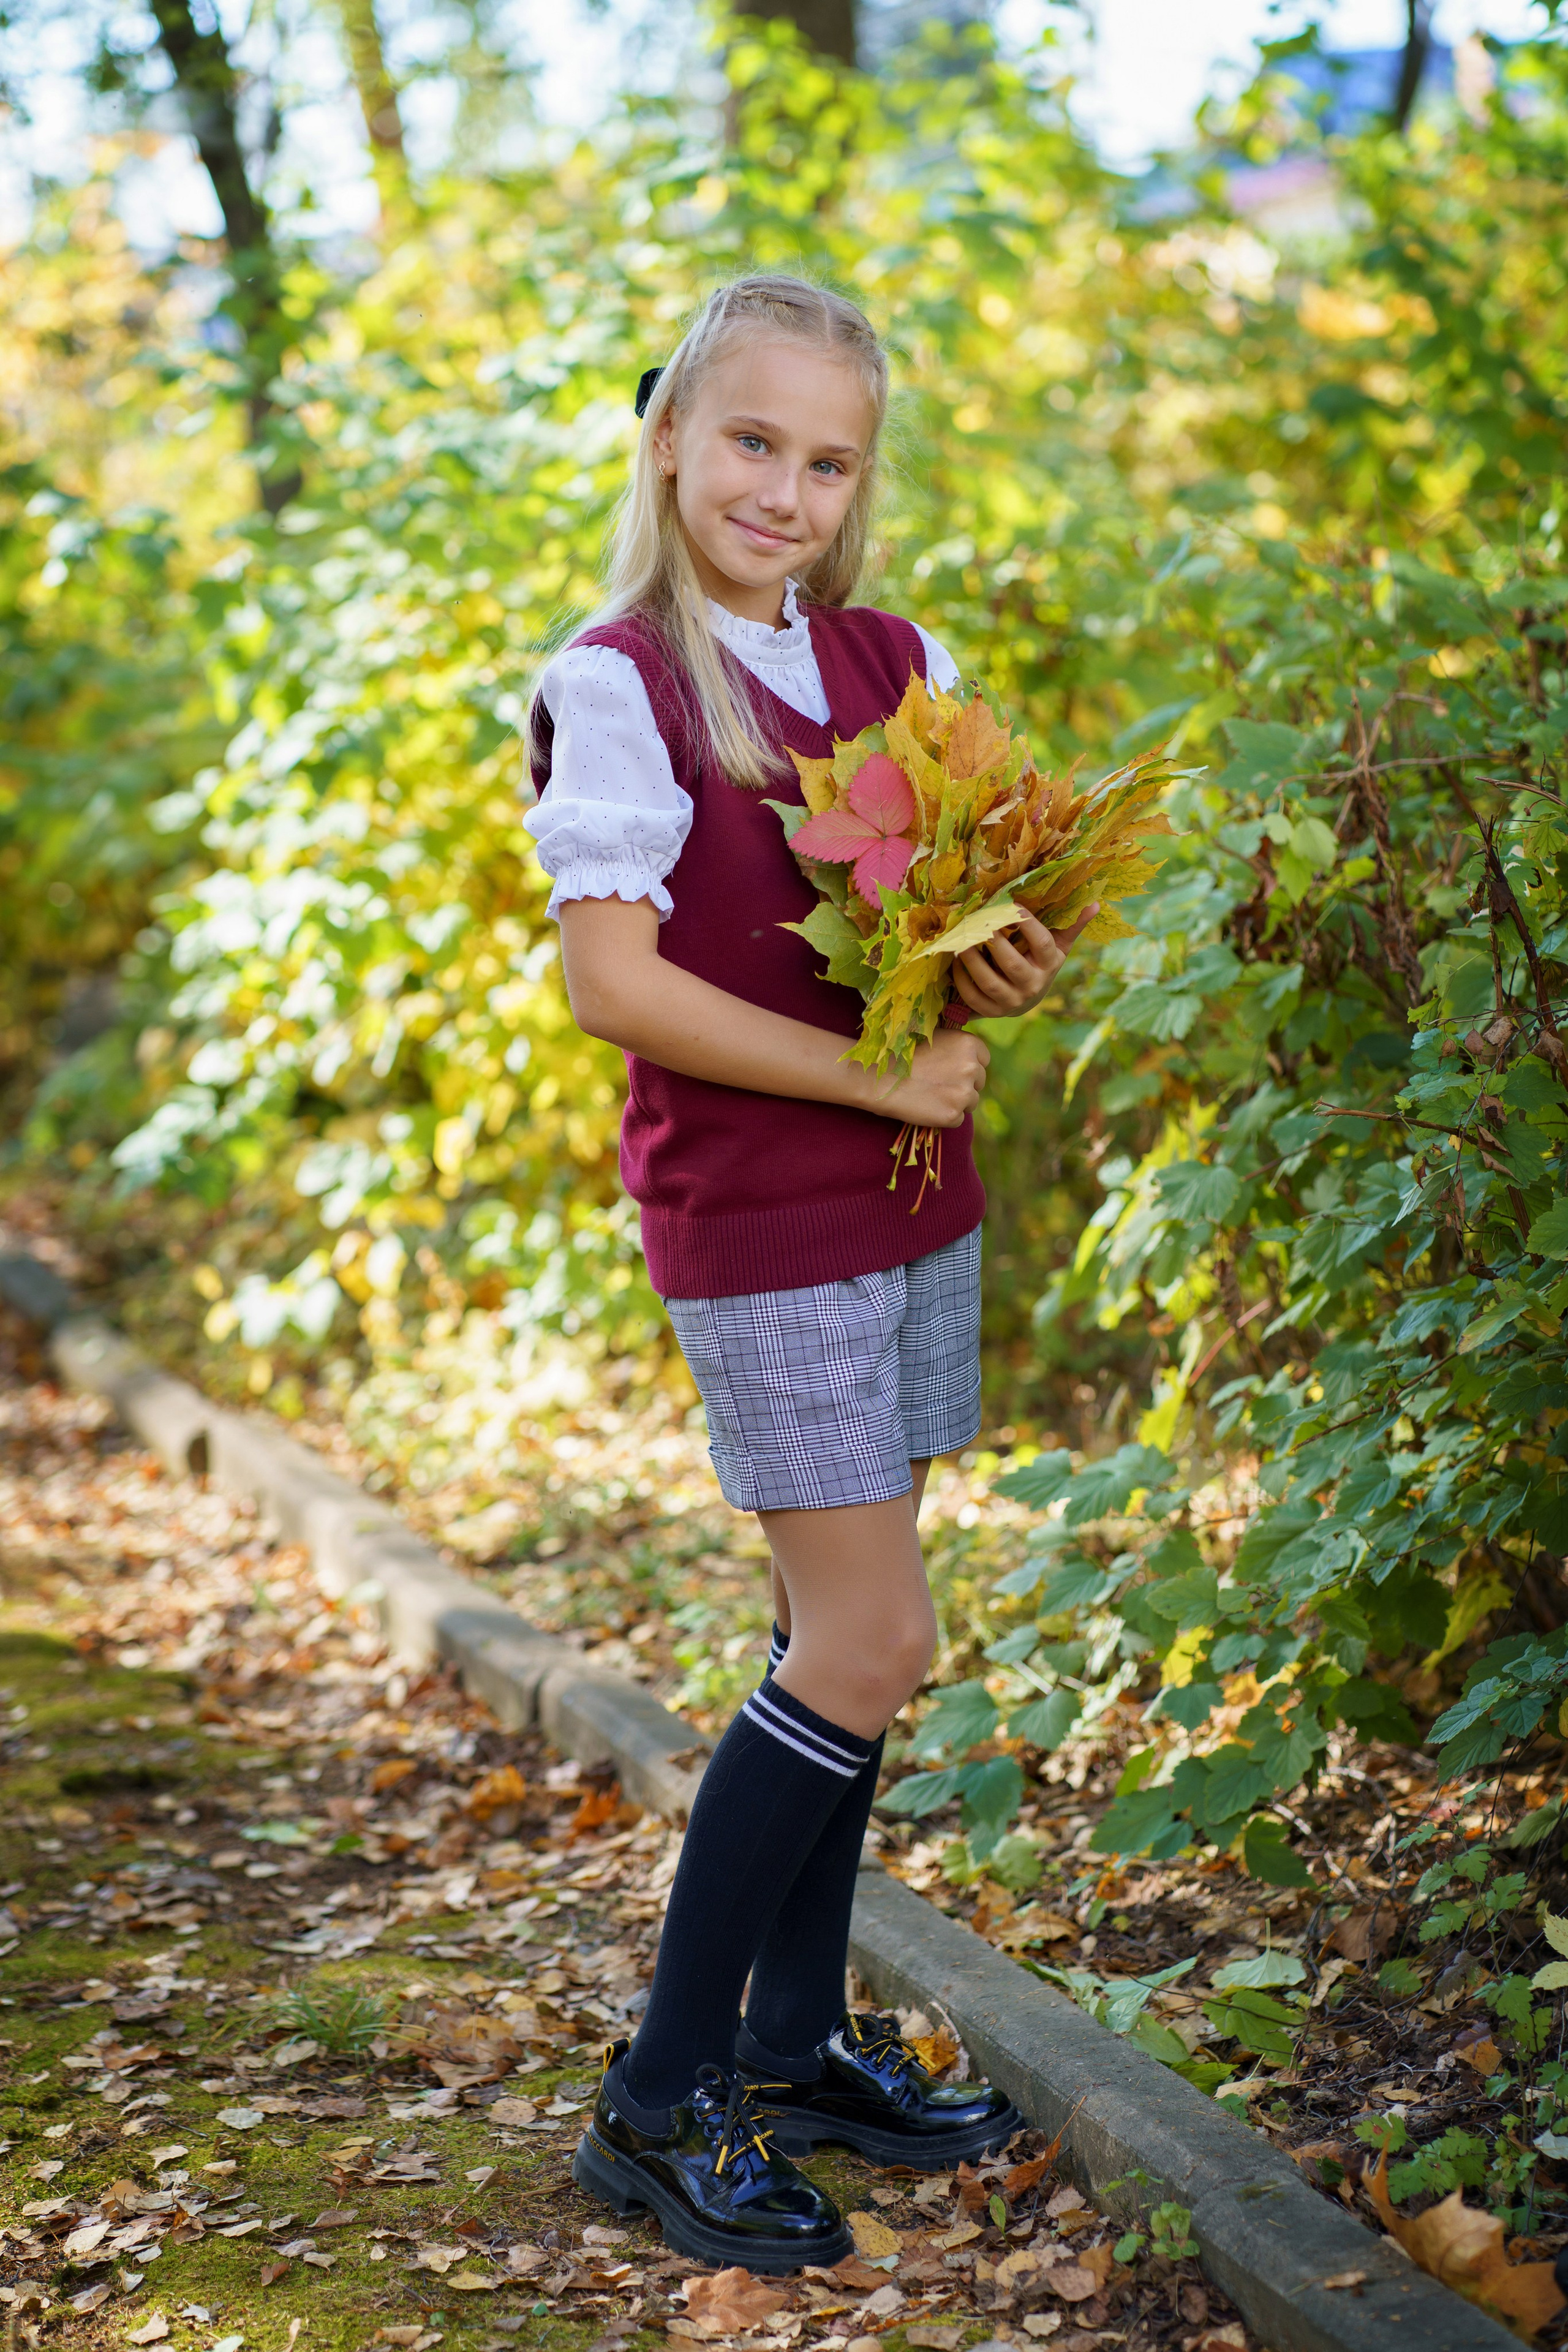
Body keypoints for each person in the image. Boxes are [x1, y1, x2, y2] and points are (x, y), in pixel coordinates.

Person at [524, 274, 1096, 2273]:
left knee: (825, 1639)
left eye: (827, 457)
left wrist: (1000, 965)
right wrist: (870, 1058)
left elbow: (941, 923)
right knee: (867, 1648)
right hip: (762, 1222)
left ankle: (793, 2038)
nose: (787, 486)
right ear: (669, 435)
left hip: (911, 1199)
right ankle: (658, 2104)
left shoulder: (891, 656)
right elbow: (614, 980)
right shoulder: (621, 678)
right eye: (752, 440)